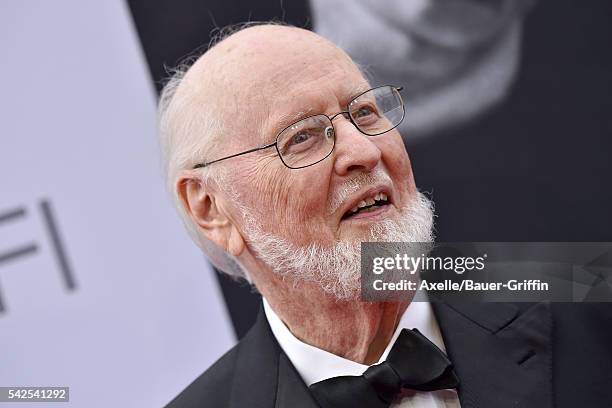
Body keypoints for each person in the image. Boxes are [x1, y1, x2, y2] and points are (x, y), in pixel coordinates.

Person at [158, 23, 611, 408]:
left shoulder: (584, 292)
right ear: (210, 208)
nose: (364, 150)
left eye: (365, 112)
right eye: (302, 137)